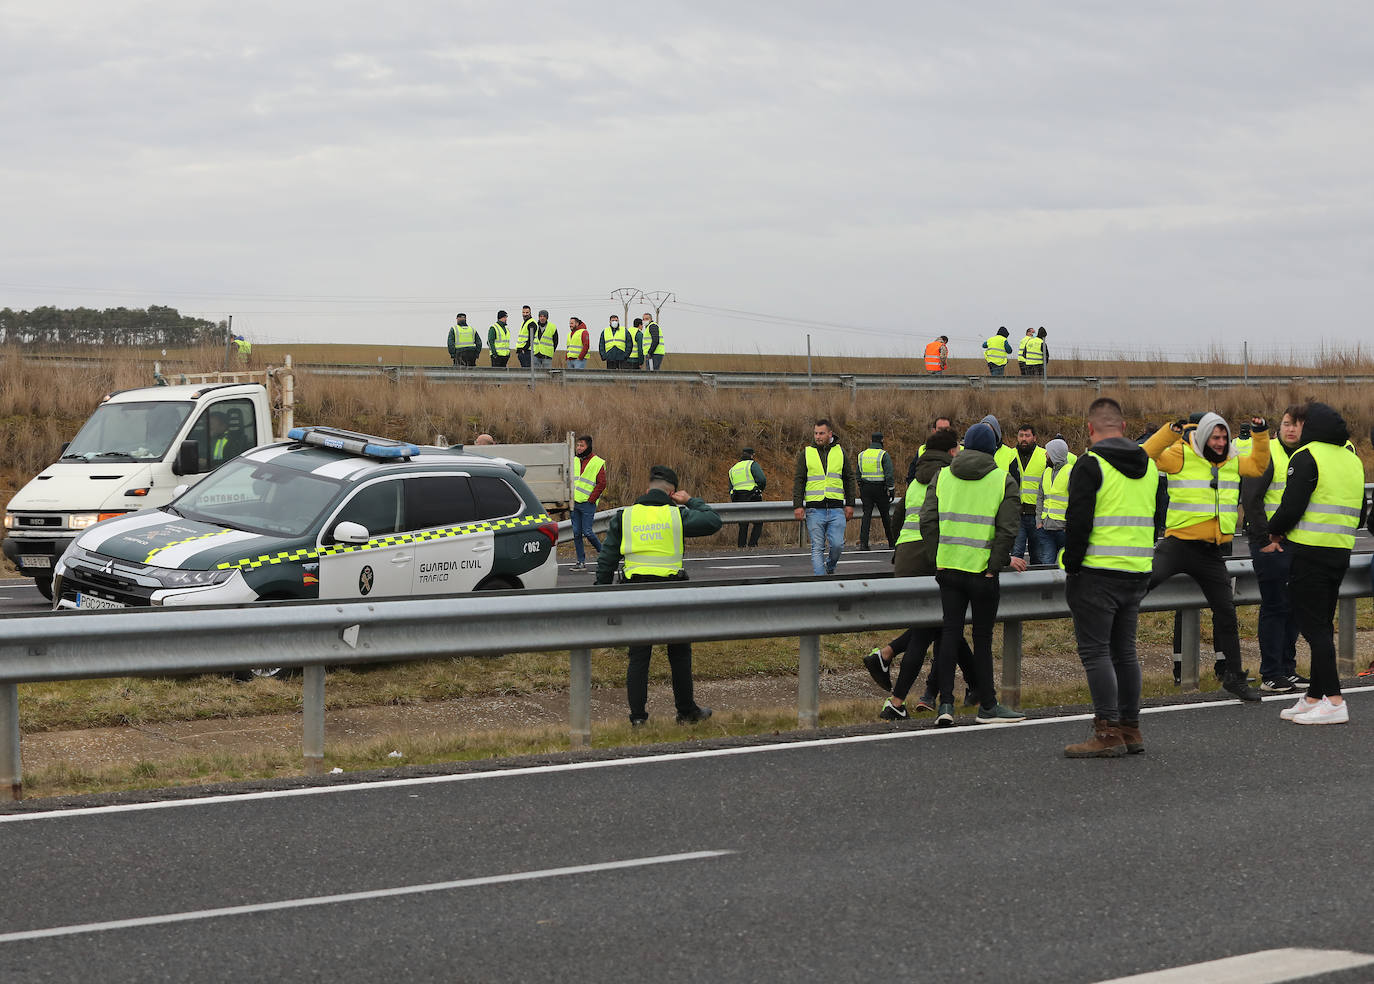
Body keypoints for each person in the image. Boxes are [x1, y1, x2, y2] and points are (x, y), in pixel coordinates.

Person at [1143, 412, 1269, 700]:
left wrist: (1261, 435)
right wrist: (1169, 431)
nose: (1221, 442)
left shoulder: (1233, 459)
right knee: (1140, 584)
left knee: (1226, 611)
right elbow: (1146, 454)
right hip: (1177, 546)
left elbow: (1260, 465)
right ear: (1203, 437)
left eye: (1224, 437)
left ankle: (1234, 678)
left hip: (1211, 551)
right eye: (1215, 437)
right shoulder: (1181, 454)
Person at [861, 428, 983, 719]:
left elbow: (899, 517)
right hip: (931, 554)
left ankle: (975, 686)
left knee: (941, 626)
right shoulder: (948, 477)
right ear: (951, 451)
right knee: (931, 628)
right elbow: (942, 520)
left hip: (905, 554)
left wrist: (901, 545)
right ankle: (896, 697)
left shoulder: (916, 479)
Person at [1061, 398, 1159, 757]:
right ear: (1123, 427)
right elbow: (1155, 516)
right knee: (1124, 651)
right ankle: (1131, 728)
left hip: (1097, 572)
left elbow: (1078, 521)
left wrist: (1072, 564)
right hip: (1136, 572)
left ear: (1090, 429)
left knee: (1096, 651)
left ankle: (1106, 731)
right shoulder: (1149, 465)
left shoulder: (1091, 463)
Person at [919, 421, 1028, 725]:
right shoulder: (1002, 480)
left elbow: (926, 520)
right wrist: (994, 566)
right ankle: (989, 705)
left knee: (950, 634)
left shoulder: (942, 476)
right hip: (983, 574)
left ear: (964, 447)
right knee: (982, 638)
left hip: (949, 569)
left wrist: (936, 557)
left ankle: (944, 705)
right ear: (994, 449)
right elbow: (1008, 530)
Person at [595, 465, 721, 726]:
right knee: (679, 653)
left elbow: (606, 559)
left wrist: (601, 593)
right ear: (672, 493)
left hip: (635, 592)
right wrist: (690, 501)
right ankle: (686, 712)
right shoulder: (677, 516)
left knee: (639, 656)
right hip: (671, 592)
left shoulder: (625, 516)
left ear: (646, 490)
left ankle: (638, 718)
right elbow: (713, 521)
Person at [1268, 402, 1365, 725]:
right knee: (1321, 625)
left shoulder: (1307, 456)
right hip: (1340, 552)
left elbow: (1291, 504)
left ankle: (1335, 700)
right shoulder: (1352, 459)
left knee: (1312, 628)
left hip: (1308, 552)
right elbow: (1361, 513)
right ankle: (1313, 696)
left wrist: (1274, 531)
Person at [1239, 404, 1306, 693]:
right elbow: (1251, 499)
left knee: (1293, 608)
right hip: (1269, 543)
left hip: (1295, 543)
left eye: (1297, 424)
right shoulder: (1268, 454)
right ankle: (1270, 673)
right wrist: (1266, 539)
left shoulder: (1305, 456)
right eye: (1287, 423)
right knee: (1276, 606)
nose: (1291, 429)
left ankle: (1287, 669)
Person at [792, 418, 855, 577]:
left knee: (837, 545)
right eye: (815, 433)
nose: (818, 436)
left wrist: (850, 504)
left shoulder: (840, 452)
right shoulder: (806, 453)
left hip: (836, 509)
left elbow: (849, 479)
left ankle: (830, 566)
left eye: (821, 433)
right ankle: (821, 584)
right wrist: (798, 505)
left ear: (830, 434)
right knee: (817, 547)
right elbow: (799, 480)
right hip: (815, 509)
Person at [1011, 424, 1048, 565]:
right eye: (1021, 435)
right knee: (1016, 554)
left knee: (1038, 556)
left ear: (1034, 437)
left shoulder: (1044, 455)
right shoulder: (1010, 454)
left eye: (1027, 436)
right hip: (1017, 514)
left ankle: (1037, 585)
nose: (1024, 439)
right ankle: (1015, 587)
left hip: (1037, 515)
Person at [570, 435, 607, 572]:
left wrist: (591, 499)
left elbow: (602, 483)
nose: (579, 448)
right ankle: (580, 562)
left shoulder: (597, 462)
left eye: (582, 445)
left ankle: (605, 555)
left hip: (587, 503)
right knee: (576, 533)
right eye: (578, 445)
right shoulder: (573, 460)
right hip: (574, 503)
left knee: (587, 532)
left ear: (588, 447)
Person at [1034, 438, 1072, 563]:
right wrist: (1039, 521)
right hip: (1045, 528)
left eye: (1048, 452)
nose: (1045, 454)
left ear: (1055, 454)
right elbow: (1040, 498)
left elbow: (1076, 502)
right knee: (1046, 564)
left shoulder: (1071, 472)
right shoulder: (1046, 472)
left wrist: (1070, 525)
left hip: (1064, 530)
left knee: (1066, 566)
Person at [856, 432, 895, 551]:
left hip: (866, 488)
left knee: (866, 515)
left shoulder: (862, 455)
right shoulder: (883, 454)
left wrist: (861, 486)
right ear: (881, 441)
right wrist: (891, 489)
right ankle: (892, 542)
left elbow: (858, 473)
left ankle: (863, 543)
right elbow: (889, 474)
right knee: (885, 516)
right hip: (880, 489)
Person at [729, 447, 766, 549]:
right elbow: (762, 479)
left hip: (738, 498)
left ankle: (741, 546)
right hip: (752, 496)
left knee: (743, 523)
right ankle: (752, 544)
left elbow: (730, 487)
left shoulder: (733, 468)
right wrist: (759, 490)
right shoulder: (752, 464)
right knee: (758, 521)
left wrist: (734, 497)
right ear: (752, 455)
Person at [907, 416, 954, 481]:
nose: (943, 433)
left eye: (946, 429)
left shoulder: (961, 450)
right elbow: (911, 476)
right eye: (940, 429)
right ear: (934, 431)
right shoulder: (922, 450)